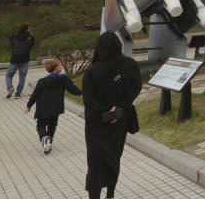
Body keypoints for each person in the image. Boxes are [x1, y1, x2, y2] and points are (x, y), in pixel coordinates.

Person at [82, 31, 142, 199]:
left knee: (95, 162)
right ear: (118, 45)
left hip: (96, 125)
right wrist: (119, 108)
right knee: (113, 159)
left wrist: (105, 112)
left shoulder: (92, 71)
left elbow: (88, 99)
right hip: (119, 122)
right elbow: (136, 87)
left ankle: (94, 196)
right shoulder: (130, 65)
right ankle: (110, 194)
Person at [25, 58, 82, 154]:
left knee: (41, 125)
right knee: (52, 125)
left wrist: (28, 106)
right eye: (60, 65)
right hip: (55, 107)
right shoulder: (63, 78)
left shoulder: (41, 81)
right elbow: (72, 89)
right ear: (56, 68)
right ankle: (48, 141)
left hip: (42, 108)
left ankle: (44, 138)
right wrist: (81, 93)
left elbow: (35, 94)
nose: (61, 67)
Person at [6, 23, 35, 99]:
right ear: (26, 29)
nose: (30, 29)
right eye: (29, 27)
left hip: (14, 59)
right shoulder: (31, 37)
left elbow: (12, 46)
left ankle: (10, 88)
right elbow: (30, 47)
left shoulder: (15, 36)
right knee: (22, 77)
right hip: (25, 59)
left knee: (9, 75)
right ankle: (18, 94)